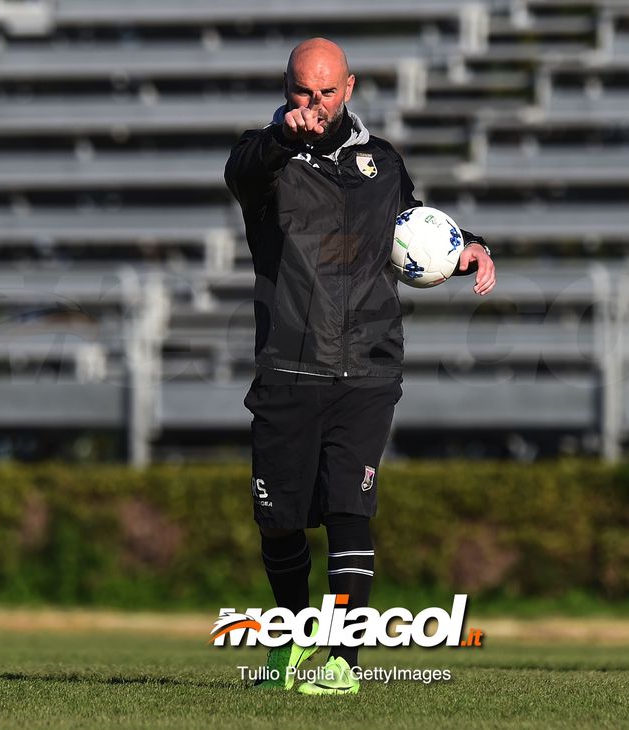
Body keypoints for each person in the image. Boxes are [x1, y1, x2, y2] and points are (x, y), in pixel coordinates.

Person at [224, 37, 496, 696]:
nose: (312, 104)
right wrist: (284, 138)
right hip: (289, 366)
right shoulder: (262, 161)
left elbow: (418, 231)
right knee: (281, 522)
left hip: (369, 365)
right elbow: (247, 167)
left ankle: (344, 662)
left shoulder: (384, 162)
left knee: (351, 506)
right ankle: (291, 637)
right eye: (300, 91)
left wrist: (468, 250)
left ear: (349, 88)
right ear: (285, 88)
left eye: (324, 91)